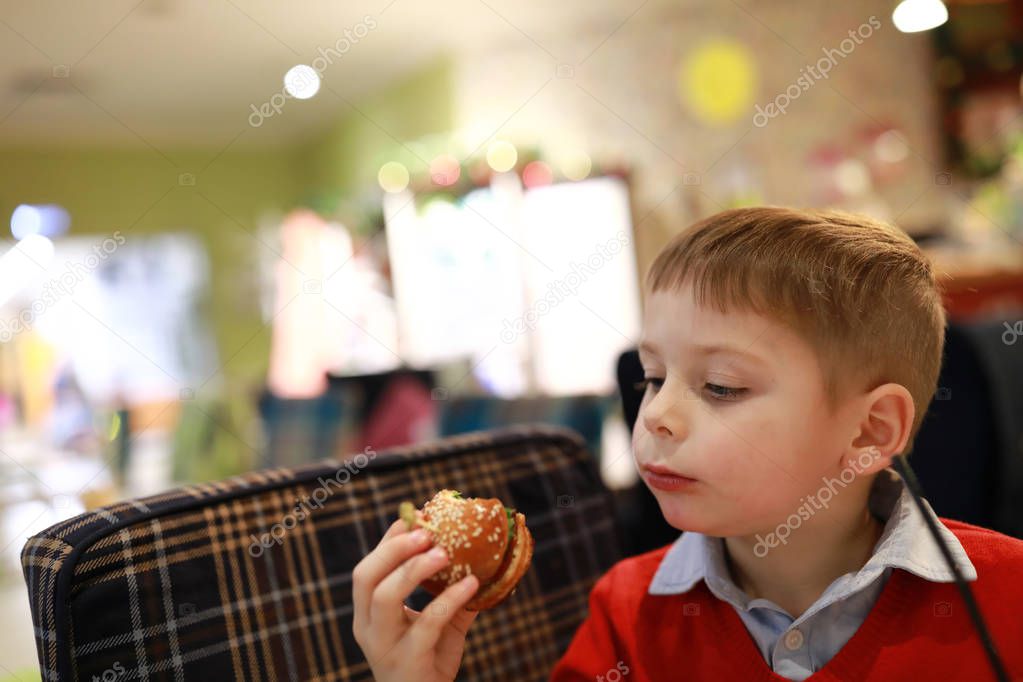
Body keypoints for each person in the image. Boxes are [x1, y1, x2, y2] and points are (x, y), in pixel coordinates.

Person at [352, 207, 1023, 681]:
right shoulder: (625, 613)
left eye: (722, 386)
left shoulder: (1007, 598)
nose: (656, 416)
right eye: (651, 377)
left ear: (868, 432)